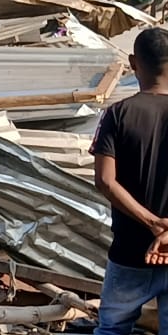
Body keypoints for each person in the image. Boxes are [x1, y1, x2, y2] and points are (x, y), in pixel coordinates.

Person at [91, 27, 168, 334]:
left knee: (112, 328)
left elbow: (105, 181)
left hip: (130, 252)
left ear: (134, 63)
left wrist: (152, 224)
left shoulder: (117, 114)